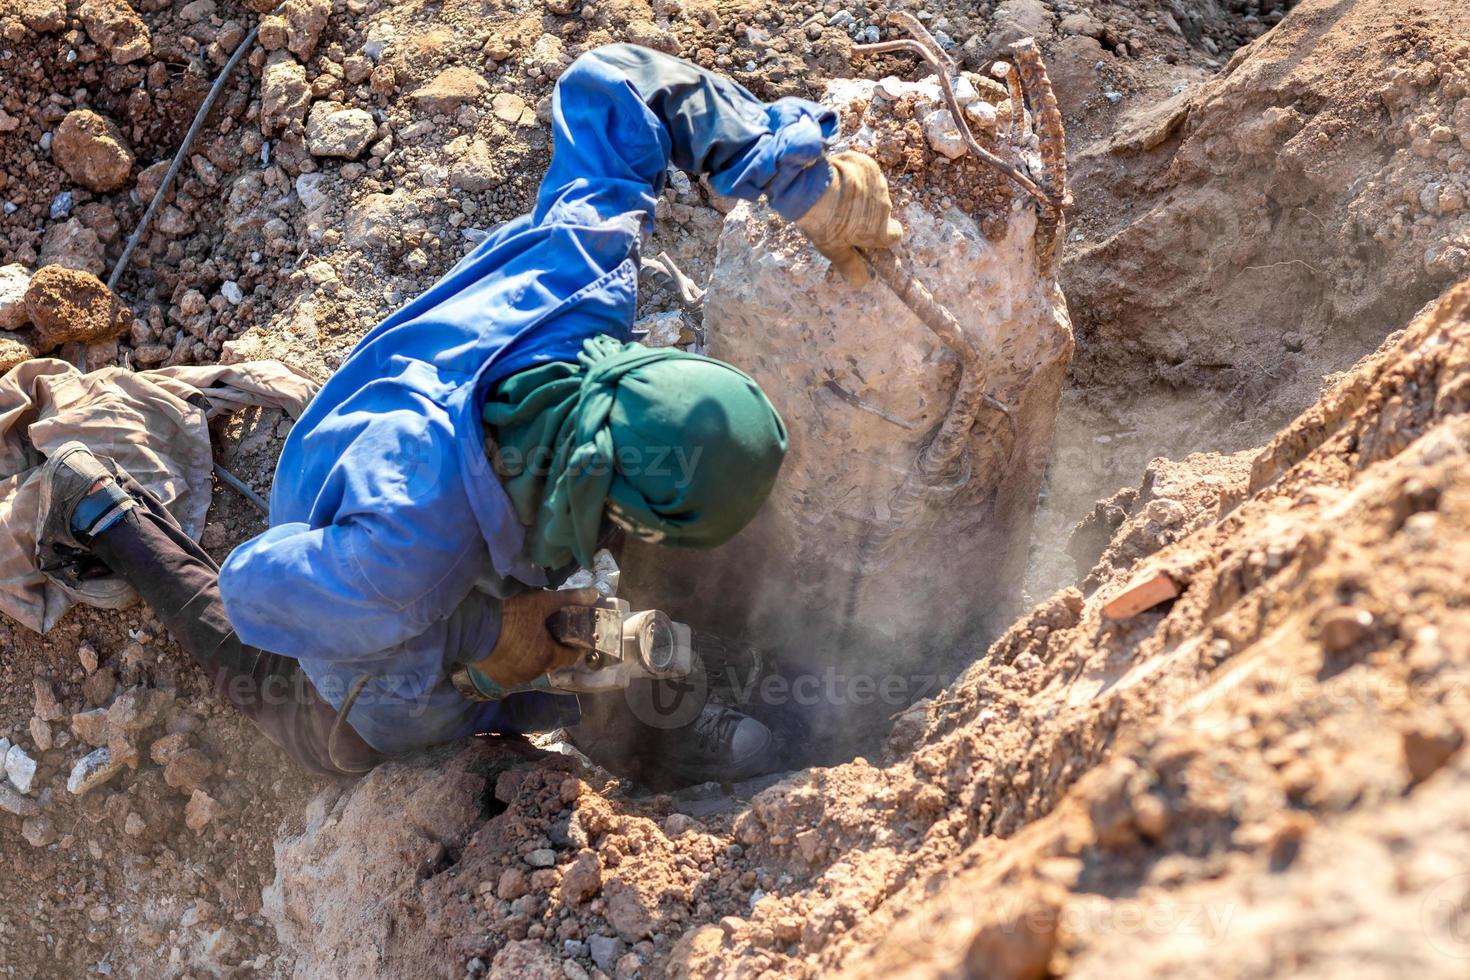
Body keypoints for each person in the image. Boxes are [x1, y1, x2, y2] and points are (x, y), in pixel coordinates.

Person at [34, 44, 902, 779]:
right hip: (364, 635)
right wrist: (478, 637)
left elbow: (614, 83)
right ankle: (102, 507)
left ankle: (658, 697)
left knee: (598, 633)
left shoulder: (583, 288)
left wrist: (794, 177)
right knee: (300, 721)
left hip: (388, 428)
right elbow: (256, 590)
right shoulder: (402, 556)